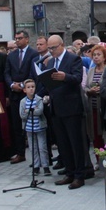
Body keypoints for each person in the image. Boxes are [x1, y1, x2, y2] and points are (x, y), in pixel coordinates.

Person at [42, 35, 86, 190]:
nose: (51, 51)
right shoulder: (51, 62)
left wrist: (64, 76)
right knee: (63, 143)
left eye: (53, 48)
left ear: (61, 45)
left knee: (75, 143)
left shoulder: (73, 59)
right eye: (49, 48)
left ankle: (79, 175)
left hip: (71, 107)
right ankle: (69, 172)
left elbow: (78, 78)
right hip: (56, 106)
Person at [4, 30, 39, 164]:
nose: (17, 41)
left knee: (31, 125)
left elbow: (33, 72)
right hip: (14, 94)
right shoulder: (11, 55)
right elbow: (6, 73)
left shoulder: (33, 54)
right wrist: (12, 84)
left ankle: (36, 155)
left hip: (28, 93)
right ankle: (20, 153)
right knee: (16, 125)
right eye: (16, 38)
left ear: (27, 39)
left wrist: (24, 84)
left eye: (20, 38)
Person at [19, 79, 51, 176]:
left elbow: (40, 111)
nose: (31, 89)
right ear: (24, 90)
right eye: (28, 87)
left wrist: (28, 111)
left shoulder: (38, 99)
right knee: (33, 148)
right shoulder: (23, 101)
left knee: (42, 147)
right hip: (29, 128)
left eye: (33, 87)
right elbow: (22, 115)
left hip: (40, 127)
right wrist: (32, 110)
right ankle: (36, 166)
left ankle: (45, 166)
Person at [84, 45, 106, 151]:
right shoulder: (91, 70)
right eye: (94, 55)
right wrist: (89, 91)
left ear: (104, 57)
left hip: (104, 106)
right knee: (94, 133)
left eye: (99, 55)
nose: (96, 57)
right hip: (92, 106)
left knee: (104, 133)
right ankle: (98, 157)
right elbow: (85, 87)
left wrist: (101, 89)